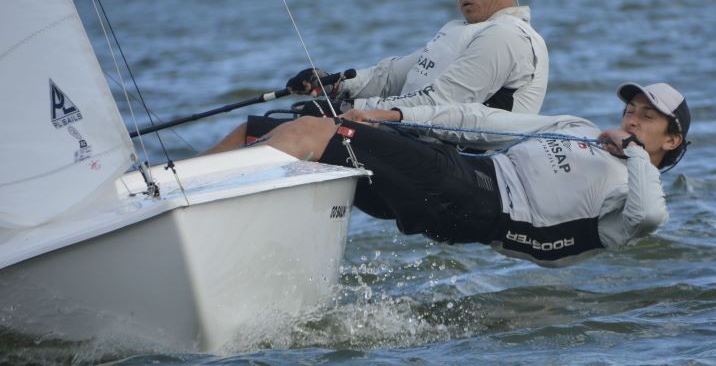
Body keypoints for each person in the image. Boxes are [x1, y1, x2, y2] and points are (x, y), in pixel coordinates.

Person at [261, 82, 691, 267]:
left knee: (314, 133)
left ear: (671, 141)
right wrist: (393, 115)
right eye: (630, 111)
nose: (633, 120)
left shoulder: (630, 198)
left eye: (648, 117)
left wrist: (634, 154)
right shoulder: (581, 129)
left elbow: (651, 216)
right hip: (465, 172)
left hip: (480, 207)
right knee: (285, 126)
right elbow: (480, 120)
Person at [208, 0, 549, 151]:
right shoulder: (460, 30)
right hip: (410, 140)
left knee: (302, 131)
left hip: (455, 160)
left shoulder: (508, 37)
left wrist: (342, 111)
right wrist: (335, 86)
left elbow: (441, 104)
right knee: (251, 129)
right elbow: (390, 76)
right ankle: (174, 188)